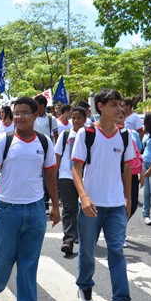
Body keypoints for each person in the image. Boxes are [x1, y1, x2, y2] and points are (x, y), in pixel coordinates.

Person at [0, 96, 59, 301]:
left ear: (36, 115)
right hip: (7, 209)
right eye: (16, 112)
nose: (19, 116)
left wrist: (55, 205)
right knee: (3, 259)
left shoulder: (44, 142)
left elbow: (50, 175)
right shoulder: (4, 141)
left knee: (28, 261)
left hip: (35, 209)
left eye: (25, 112)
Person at [71, 89, 140, 301]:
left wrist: (128, 200)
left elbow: (127, 168)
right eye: (112, 104)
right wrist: (84, 197)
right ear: (100, 106)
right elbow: (76, 168)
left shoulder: (125, 135)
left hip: (116, 205)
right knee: (88, 250)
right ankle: (84, 287)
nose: (118, 109)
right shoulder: (86, 133)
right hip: (92, 204)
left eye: (119, 104)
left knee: (117, 251)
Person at [55, 106, 87, 256]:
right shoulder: (65, 134)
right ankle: (68, 240)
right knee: (69, 208)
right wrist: (54, 176)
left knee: (84, 209)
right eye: (73, 118)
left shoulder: (89, 134)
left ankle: (82, 236)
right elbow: (58, 156)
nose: (75, 121)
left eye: (78, 118)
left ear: (85, 119)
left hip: (85, 177)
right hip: (66, 176)